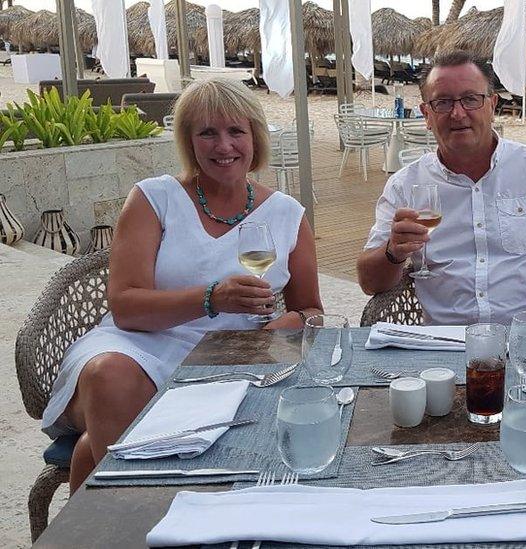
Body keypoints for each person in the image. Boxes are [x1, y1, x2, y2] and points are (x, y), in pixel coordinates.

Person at [40, 79, 322, 492]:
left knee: (115, 439)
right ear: (189, 142)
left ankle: (100, 457)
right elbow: (126, 307)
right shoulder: (154, 198)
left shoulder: (287, 214)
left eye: (235, 131)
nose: (223, 145)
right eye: (207, 132)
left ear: (255, 137)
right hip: (139, 344)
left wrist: (283, 327)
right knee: (108, 375)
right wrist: (213, 298)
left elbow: (310, 310)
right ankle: (140, 510)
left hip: (233, 353)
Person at [357, 50, 526, 327]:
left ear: (492, 105)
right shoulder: (406, 185)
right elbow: (370, 282)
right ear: (426, 114)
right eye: (442, 102)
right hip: (448, 344)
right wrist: (392, 252)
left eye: (471, 99)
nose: (458, 113)